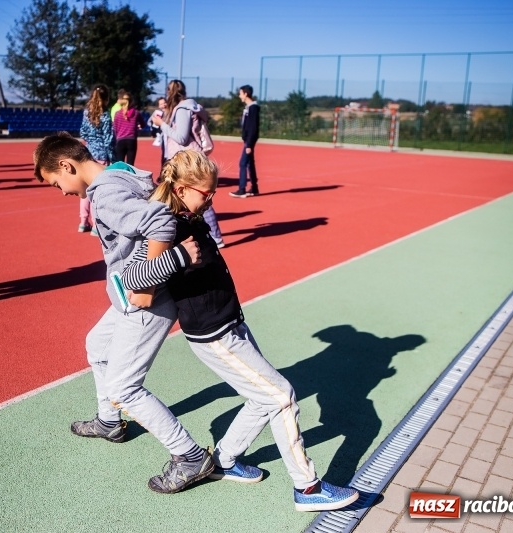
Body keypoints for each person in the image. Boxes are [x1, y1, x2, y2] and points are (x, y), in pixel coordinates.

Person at [120, 149, 360, 512]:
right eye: (207, 193)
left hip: (231, 324)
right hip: (215, 335)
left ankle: (226, 461)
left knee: (262, 397)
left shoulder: (190, 213)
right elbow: (133, 277)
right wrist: (180, 257)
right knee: (281, 396)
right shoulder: (167, 224)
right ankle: (307, 489)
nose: (212, 199)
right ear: (183, 188)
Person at [32, 132, 215, 495]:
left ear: (67, 166)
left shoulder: (106, 194)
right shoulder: (118, 170)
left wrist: (147, 282)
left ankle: (190, 456)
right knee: (97, 346)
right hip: (127, 297)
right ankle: (109, 422)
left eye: (57, 183)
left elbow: (160, 222)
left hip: (144, 300)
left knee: (124, 387)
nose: (64, 192)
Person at [152, 79, 225, 249]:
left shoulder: (183, 108)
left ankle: (214, 235)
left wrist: (161, 124)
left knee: (201, 198)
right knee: (189, 198)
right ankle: (199, 233)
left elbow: (182, 137)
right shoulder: (187, 107)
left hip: (189, 160)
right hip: (186, 159)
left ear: (171, 93)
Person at [78, 84, 114, 234]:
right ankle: (95, 226)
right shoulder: (105, 115)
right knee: (97, 193)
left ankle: (82, 222)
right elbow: (108, 139)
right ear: (106, 99)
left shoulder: (87, 113)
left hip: (88, 154)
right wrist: (112, 158)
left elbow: (83, 132)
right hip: (101, 157)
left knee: (85, 191)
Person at [230, 85, 260, 198]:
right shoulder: (248, 107)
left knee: (242, 163)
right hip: (247, 140)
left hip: (249, 141)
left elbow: (253, 127)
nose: (239, 96)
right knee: (249, 164)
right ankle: (255, 188)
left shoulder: (253, 108)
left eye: (240, 93)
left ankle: (242, 189)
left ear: (246, 94)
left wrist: (249, 143)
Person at [112, 90, 144, 166]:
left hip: (120, 140)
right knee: (130, 164)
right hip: (131, 140)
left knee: (120, 164)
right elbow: (143, 124)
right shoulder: (136, 113)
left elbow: (115, 128)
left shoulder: (117, 114)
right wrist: (138, 126)